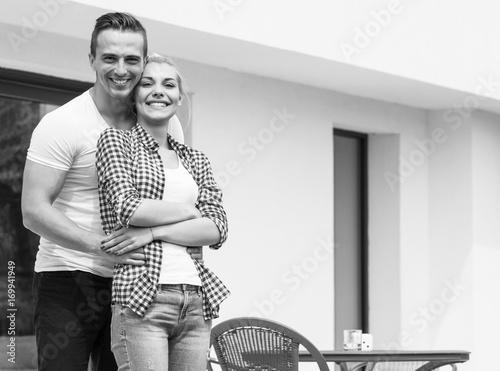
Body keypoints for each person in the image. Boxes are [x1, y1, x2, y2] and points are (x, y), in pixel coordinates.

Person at [21, 13, 188, 371]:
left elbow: (173, 195)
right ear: (92, 59)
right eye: (110, 58)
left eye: (131, 59)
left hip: (135, 283)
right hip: (69, 275)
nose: (121, 69)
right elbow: (33, 210)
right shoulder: (64, 124)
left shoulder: (163, 119)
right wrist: (100, 246)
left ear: (144, 61)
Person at [95, 53, 230, 371]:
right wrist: (187, 210)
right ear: (134, 94)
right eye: (147, 83)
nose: (159, 90)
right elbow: (129, 208)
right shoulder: (116, 143)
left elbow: (217, 228)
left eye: (168, 84)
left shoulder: (196, 160)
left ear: (178, 97)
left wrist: (155, 231)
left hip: (196, 299)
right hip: (142, 296)